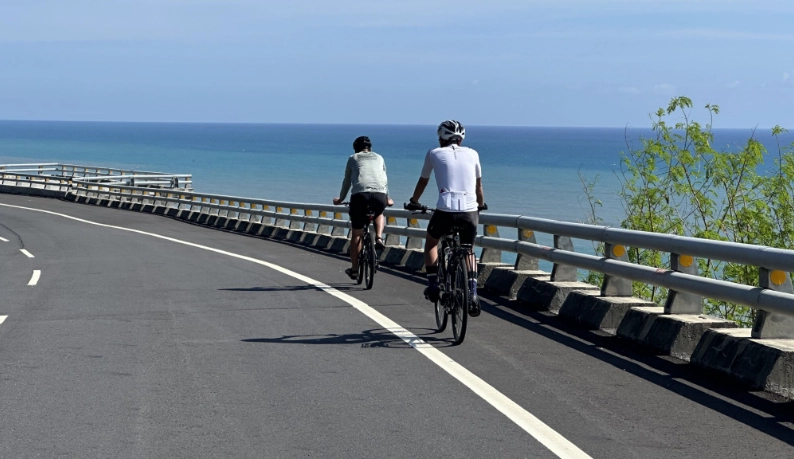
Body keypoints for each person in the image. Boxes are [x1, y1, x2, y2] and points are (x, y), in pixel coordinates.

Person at [406, 120, 485, 316]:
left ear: (441, 137)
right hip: (469, 210)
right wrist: (480, 204)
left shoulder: (434, 153)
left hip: (445, 209)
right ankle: (473, 293)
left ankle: (433, 284)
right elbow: (478, 186)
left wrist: (414, 201)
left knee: (432, 242)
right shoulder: (473, 153)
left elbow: (423, 181)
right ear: (461, 138)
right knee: (468, 250)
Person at [333, 136, 393, 279]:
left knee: (357, 235)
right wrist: (387, 198)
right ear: (370, 148)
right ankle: (379, 237)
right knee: (379, 212)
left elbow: (347, 181)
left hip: (360, 196)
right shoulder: (379, 157)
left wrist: (340, 199)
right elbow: (383, 178)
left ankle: (354, 270)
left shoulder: (353, 158)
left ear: (356, 148)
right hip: (380, 195)